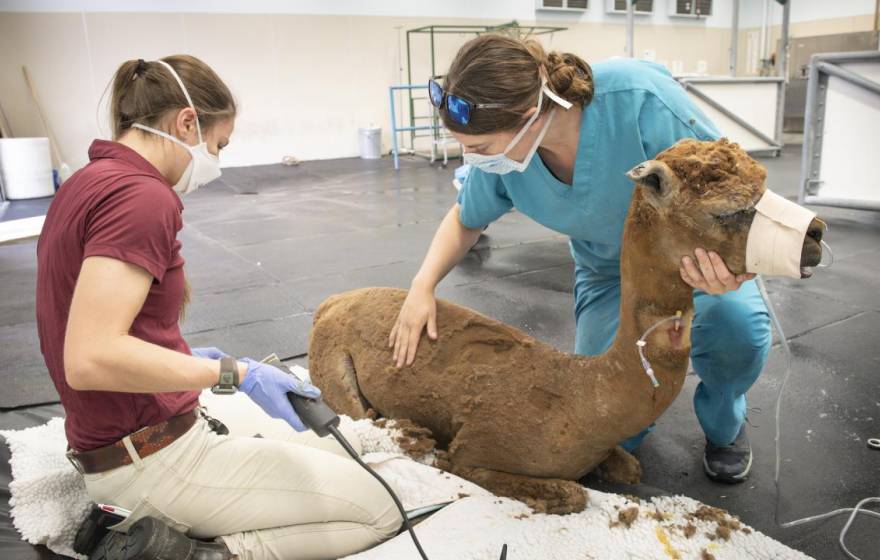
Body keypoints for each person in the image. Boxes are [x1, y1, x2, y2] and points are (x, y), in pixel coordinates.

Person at [36, 55, 400, 560]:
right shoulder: (141, 198)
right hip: (150, 462)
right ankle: (195, 553)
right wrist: (230, 373)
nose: (218, 161)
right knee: (379, 509)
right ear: (187, 122)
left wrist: (180, 355)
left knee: (344, 451)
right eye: (218, 145)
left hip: (122, 439)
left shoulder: (87, 181)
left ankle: (153, 519)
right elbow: (90, 357)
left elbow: (93, 315)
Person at [390, 35, 771, 483]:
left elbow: (737, 188)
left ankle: (725, 423)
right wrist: (422, 287)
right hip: (608, 274)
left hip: (691, 264)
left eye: (482, 148)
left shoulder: (638, 100)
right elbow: (465, 219)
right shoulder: (507, 160)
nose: (472, 160)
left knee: (737, 328)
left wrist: (735, 268)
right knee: (600, 407)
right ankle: (632, 424)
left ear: (530, 118)